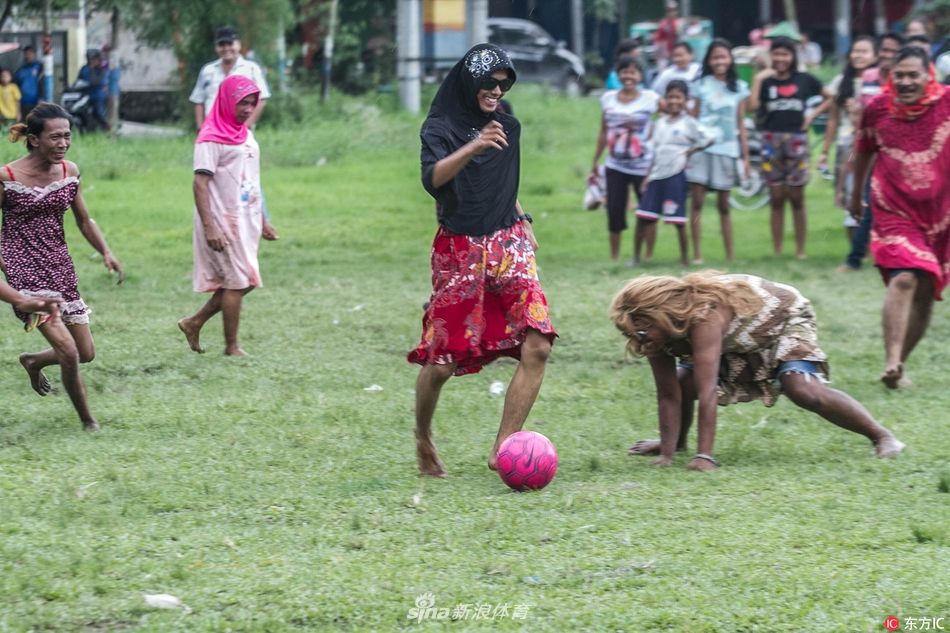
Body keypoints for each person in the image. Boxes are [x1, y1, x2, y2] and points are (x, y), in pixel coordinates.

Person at [408, 44, 556, 477]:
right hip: (461, 251)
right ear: (469, 82)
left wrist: (521, 214)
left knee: (538, 344)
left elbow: (500, 180)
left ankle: (503, 449)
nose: (497, 90)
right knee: (443, 361)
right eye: (489, 83)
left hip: (509, 243)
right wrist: (473, 145)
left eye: (503, 83)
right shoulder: (440, 127)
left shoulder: (506, 124)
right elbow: (432, 179)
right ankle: (423, 436)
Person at [610, 271, 905, 470]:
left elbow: (708, 389)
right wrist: (666, 454)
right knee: (680, 382)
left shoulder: (704, 316)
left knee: (801, 389)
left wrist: (706, 456)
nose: (638, 341)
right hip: (737, 338)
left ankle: (881, 436)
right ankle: (677, 441)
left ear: (661, 315)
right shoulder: (653, 333)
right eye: (631, 334)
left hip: (783, 320)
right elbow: (667, 394)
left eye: (643, 332)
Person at [0, 103, 124, 431]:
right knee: (68, 350)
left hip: (60, 266)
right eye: (55, 137)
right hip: (23, 271)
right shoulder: (7, 177)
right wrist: (8, 267)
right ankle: (88, 422)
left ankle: (33, 360)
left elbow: (83, 220)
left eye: (67, 136)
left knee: (85, 352)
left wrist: (106, 252)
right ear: (34, 139)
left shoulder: (70, 172)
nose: (63, 143)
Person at [850, 46, 950, 389]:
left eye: (913, 75)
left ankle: (898, 366)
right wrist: (854, 197)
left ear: (928, 76)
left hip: (941, 214)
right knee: (906, 276)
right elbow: (863, 152)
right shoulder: (877, 108)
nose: (906, 82)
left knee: (926, 288)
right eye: (900, 76)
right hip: (893, 206)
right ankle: (891, 358)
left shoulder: (947, 103)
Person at [178, 76, 266, 358]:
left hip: (246, 217)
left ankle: (194, 322)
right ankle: (231, 347)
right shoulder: (210, 137)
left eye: (252, 103)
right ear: (227, 101)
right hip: (220, 219)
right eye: (242, 102)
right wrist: (210, 227)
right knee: (238, 281)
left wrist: (264, 217)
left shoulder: (244, 132)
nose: (248, 108)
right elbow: (199, 184)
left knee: (247, 279)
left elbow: (251, 178)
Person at [190, 26, 277, 241]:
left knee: (247, 176)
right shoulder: (208, 71)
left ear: (238, 45)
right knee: (209, 177)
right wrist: (202, 129)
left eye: (230, 43)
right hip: (213, 136)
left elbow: (261, 99)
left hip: (239, 134)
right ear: (216, 47)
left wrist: (245, 126)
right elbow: (198, 100)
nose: (226, 48)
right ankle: (214, 224)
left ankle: (260, 220)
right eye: (222, 44)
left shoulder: (250, 69)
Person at [749, 37, 830, 258]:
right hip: (770, 140)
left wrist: (811, 116)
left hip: (796, 139)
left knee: (796, 197)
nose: (781, 58)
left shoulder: (804, 79)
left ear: (793, 56)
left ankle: (800, 250)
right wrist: (758, 79)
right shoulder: (765, 81)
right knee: (776, 196)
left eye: (785, 54)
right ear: (770, 56)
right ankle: (777, 250)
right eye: (776, 53)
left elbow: (830, 97)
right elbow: (752, 106)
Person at [837, 32, 903, 272]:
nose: (887, 55)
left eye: (891, 51)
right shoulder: (869, 77)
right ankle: (855, 258)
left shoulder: (905, 78)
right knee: (868, 201)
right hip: (871, 149)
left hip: (902, 153)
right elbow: (862, 117)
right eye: (883, 50)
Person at [635, 81, 714, 267]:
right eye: (670, 96)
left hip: (675, 174)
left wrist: (691, 151)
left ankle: (685, 259)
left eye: (678, 97)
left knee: (678, 221)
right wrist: (647, 176)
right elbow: (654, 152)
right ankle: (636, 258)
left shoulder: (689, 123)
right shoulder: (660, 123)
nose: (673, 101)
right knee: (643, 217)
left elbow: (709, 138)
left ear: (685, 100)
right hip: (656, 175)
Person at [686, 38, 751, 263]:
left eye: (723, 56)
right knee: (697, 202)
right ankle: (697, 255)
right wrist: (688, 149)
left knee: (724, 205)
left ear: (730, 59)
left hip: (728, 150)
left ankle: (730, 255)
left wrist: (745, 157)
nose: (719, 61)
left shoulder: (740, 88)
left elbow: (740, 124)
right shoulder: (700, 86)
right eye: (715, 57)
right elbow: (692, 119)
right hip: (702, 150)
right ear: (708, 61)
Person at [591, 55, 660, 263]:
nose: (628, 76)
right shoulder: (608, 98)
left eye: (633, 72)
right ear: (618, 75)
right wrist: (596, 160)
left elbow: (671, 113)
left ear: (640, 76)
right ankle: (615, 257)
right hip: (615, 164)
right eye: (624, 71)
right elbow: (604, 131)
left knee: (647, 210)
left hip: (644, 165)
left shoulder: (651, 98)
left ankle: (647, 255)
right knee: (615, 210)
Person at [817, 36, 878, 247]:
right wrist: (824, 151)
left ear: (875, 55)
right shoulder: (841, 82)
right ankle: (855, 246)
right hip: (849, 146)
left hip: (874, 144)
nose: (859, 56)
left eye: (864, 51)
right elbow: (833, 119)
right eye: (855, 51)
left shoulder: (880, 82)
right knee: (851, 187)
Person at [77, 49, 109, 130]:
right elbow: (79, 80)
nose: (92, 61)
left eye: (94, 59)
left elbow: (98, 81)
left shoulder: (101, 70)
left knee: (98, 113)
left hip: (97, 96)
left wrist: (92, 70)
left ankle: (107, 128)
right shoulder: (84, 68)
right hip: (85, 95)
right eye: (90, 59)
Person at [13, 46, 42, 119]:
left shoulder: (40, 67)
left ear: (35, 54)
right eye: (26, 53)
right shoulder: (20, 70)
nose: (28, 55)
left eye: (30, 53)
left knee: (36, 124)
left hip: (37, 102)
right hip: (23, 103)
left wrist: (42, 99)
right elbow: (15, 86)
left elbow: (44, 84)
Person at [654, 1, 681, 70]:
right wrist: (661, 56)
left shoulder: (679, 23)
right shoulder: (663, 24)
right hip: (665, 55)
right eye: (670, 10)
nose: (672, 12)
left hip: (677, 54)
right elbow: (658, 41)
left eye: (674, 10)